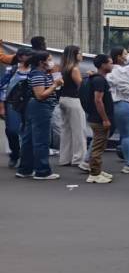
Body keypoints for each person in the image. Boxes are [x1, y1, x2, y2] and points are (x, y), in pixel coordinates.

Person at [17, 51, 64, 180]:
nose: (51, 62)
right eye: (49, 59)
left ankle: (25, 169)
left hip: (35, 107)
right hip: (40, 107)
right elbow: (40, 95)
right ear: (41, 62)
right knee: (41, 140)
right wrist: (55, 85)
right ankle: (42, 171)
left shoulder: (41, 73)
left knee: (30, 138)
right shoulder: (38, 74)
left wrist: (55, 77)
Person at [103, 48, 129, 174]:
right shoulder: (120, 70)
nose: (127, 56)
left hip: (111, 104)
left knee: (103, 134)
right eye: (125, 54)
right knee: (128, 133)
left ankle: (87, 159)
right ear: (119, 57)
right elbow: (127, 90)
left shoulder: (108, 72)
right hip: (123, 103)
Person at [81, 54, 115, 184]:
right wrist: (105, 119)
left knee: (99, 144)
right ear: (103, 65)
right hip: (99, 119)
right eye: (110, 63)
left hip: (96, 117)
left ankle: (97, 170)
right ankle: (94, 174)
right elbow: (98, 100)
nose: (112, 65)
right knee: (98, 146)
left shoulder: (95, 78)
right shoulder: (99, 80)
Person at [56, 45, 89, 170]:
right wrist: (88, 78)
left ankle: (64, 158)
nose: (82, 55)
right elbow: (81, 85)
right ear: (74, 55)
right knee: (79, 130)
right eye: (79, 53)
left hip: (63, 99)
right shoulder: (74, 68)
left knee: (66, 130)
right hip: (74, 100)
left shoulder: (64, 68)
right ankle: (79, 158)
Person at [1, 48, 33, 168]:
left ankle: (27, 159)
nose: (30, 57)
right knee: (12, 130)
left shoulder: (35, 70)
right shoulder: (12, 70)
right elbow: (2, 87)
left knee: (28, 132)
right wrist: (2, 107)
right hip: (12, 104)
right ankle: (15, 154)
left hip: (29, 104)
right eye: (27, 55)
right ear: (20, 57)